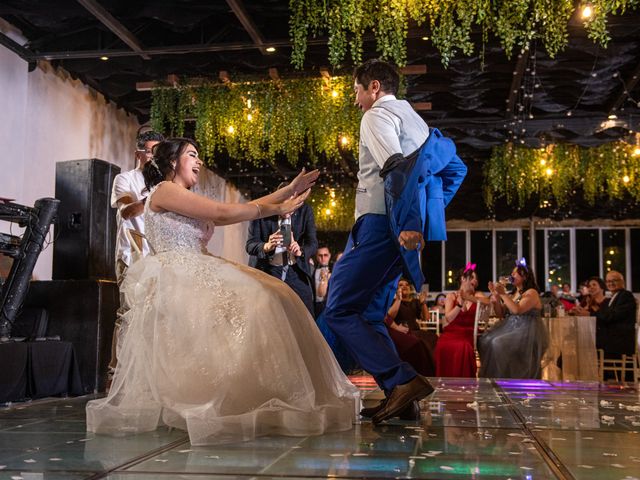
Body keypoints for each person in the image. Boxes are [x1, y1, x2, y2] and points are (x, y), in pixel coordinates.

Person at [86, 138, 358, 445]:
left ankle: (262, 388)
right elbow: (223, 212)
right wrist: (279, 206)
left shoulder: (183, 194)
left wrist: (288, 191)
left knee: (276, 293)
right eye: (192, 155)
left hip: (199, 265)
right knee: (261, 299)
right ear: (173, 162)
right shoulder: (164, 190)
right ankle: (236, 391)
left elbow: (236, 208)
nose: (199, 161)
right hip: (178, 272)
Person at [322, 59, 466, 424]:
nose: (355, 101)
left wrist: (408, 221)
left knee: (338, 307)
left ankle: (400, 379)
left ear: (373, 87)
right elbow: (455, 169)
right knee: (369, 313)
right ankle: (402, 398)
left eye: (356, 91)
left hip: (378, 224)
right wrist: (421, 216)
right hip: (396, 230)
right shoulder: (417, 121)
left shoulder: (375, 115)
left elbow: (395, 167)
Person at [108, 130, 164, 379]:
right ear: (138, 154)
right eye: (152, 151)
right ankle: (117, 372)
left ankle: (149, 374)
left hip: (158, 258)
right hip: (131, 256)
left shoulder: (165, 183)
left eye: (160, 152)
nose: (155, 157)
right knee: (128, 312)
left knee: (157, 316)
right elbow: (128, 211)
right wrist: (153, 198)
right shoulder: (124, 179)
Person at [245, 195, 317, 315]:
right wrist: (266, 246)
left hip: (295, 270)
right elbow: (250, 245)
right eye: (284, 207)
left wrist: (300, 250)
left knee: (306, 314)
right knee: (267, 314)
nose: (289, 212)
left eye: (292, 208)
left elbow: (313, 243)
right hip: (267, 270)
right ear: (276, 204)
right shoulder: (261, 212)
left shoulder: (305, 210)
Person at [479, 258, 549, 379]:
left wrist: (502, 294)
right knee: (485, 340)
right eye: (512, 273)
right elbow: (501, 314)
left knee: (497, 342)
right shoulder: (514, 293)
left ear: (525, 277)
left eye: (515, 273)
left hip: (527, 331)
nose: (511, 275)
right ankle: (495, 379)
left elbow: (517, 310)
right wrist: (496, 297)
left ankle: (504, 378)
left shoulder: (531, 293)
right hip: (512, 329)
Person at [435, 264, 493, 378]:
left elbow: (487, 302)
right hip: (451, 332)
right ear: (463, 279)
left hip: (468, 333)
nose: (475, 280)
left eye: (476, 278)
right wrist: (460, 304)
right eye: (472, 277)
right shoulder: (451, 296)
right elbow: (449, 318)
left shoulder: (478, 294)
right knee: (441, 344)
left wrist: (468, 297)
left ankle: (464, 383)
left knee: (463, 346)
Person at [384, 278, 435, 376]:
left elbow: (426, 318)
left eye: (406, 284)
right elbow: (389, 317)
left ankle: (431, 371)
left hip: (416, 330)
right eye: (401, 285)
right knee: (420, 342)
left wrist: (423, 303)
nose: (404, 286)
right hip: (402, 331)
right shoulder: (393, 301)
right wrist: (399, 299)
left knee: (433, 338)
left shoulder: (414, 301)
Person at [595, 270, 637, 357]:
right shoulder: (611, 299)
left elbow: (612, 316)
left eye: (614, 280)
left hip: (620, 341)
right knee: (580, 340)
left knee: (583, 343)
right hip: (612, 338)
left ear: (622, 282)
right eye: (608, 281)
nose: (611, 283)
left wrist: (590, 315)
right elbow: (603, 314)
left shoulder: (626, 295)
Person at [313, 246, 332, 317]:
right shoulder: (313, 271)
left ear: (329, 255)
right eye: (320, 255)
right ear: (317, 257)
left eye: (325, 255)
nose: (323, 258)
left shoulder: (335, 269)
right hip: (320, 307)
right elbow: (320, 295)